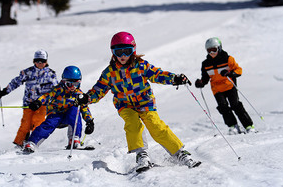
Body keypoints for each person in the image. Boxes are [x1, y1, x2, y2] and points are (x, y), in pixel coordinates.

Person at [81, 31, 201, 172]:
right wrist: (87, 98)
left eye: (127, 51)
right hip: (125, 105)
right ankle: (142, 155)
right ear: (113, 53)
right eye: (118, 52)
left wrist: (175, 78)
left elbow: (158, 74)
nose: (123, 56)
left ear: (133, 50)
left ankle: (179, 153)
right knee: (132, 124)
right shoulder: (109, 73)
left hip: (145, 102)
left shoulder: (141, 66)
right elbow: (98, 90)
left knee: (155, 125)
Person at [23, 66, 94, 153]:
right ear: (64, 82)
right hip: (56, 115)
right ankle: (32, 143)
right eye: (69, 84)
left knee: (75, 110)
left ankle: (74, 140)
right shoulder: (58, 90)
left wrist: (89, 121)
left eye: (76, 84)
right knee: (48, 125)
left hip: (69, 117)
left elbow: (84, 108)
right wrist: (38, 102)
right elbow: (47, 96)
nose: (73, 87)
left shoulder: (79, 95)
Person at [0, 49, 58, 149]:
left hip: (42, 105)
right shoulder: (28, 72)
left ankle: (33, 143)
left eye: (43, 61)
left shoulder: (51, 75)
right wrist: (4, 91)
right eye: (38, 61)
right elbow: (16, 82)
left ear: (46, 62)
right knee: (25, 124)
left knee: (37, 123)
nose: (40, 63)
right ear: (34, 61)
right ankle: (19, 143)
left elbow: (55, 91)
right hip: (28, 104)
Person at [195, 37, 255, 135]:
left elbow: (238, 70)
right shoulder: (205, 64)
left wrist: (230, 74)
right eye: (209, 51)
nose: (211, 53)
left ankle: (248, 126)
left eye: (214, 50)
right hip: (217, 89)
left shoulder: (228, 59)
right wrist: (201, 83)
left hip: (229, 86)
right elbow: (205, 78)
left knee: (235, 105)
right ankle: (233, 126)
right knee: (223, 107)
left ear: (219, 48)